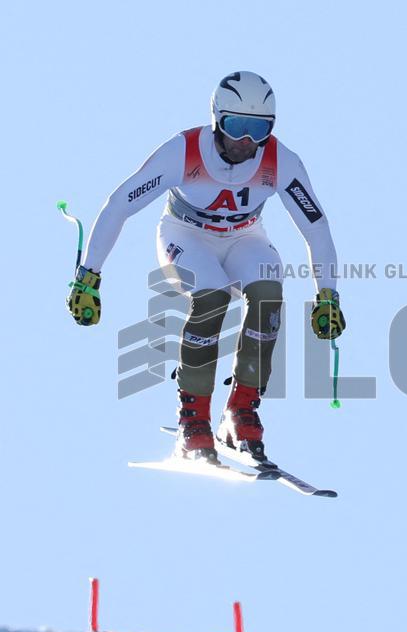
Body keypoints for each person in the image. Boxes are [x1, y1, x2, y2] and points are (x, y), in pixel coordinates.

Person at [67, 71, 346, 466]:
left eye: (258, 130)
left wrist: (327, 295)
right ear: (217, 119)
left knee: (269, 292)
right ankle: (193, 422)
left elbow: (315, 227)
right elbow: (119, 204)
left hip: (245, 238)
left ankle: (241, 412)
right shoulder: (183, 151)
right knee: (211, 298)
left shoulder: (281, 161)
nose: (247, 142)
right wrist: (89, 276)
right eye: (237, 126)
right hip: (185, 236)